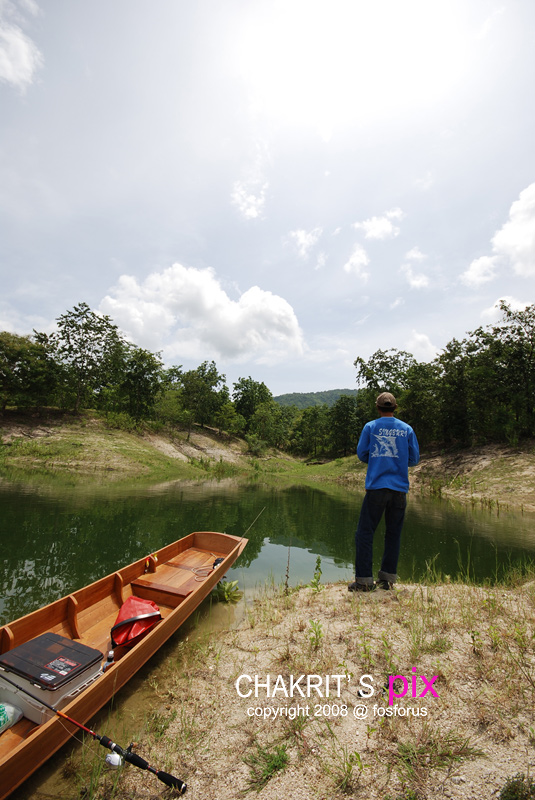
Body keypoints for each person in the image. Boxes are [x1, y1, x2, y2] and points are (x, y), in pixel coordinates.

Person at [348, 391, 420, 593]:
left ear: (378, 408)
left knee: (364, 533)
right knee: (393, 534)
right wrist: (397, 460)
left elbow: (362, 454)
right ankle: (386, 580)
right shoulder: (407, 429)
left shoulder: (370, 427)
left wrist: (378, 460)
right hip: (399, 490)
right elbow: (414, 459)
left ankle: (363, 581)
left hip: (376, 488)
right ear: (395, 408)